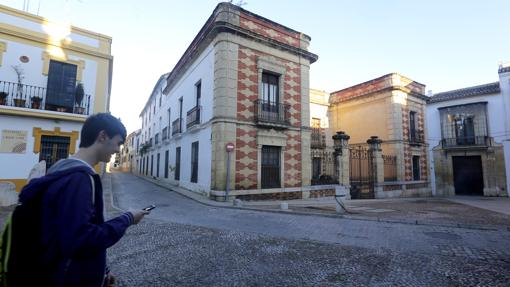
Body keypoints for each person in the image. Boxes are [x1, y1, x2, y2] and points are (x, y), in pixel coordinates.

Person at [10, 113, 148, 287]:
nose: (118, 150)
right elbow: (80, 240)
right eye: (119, 142)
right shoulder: (80, 179)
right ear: (103, 136)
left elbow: (69, 231)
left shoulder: (60, 169)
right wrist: (127, 218)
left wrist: (102, 271)